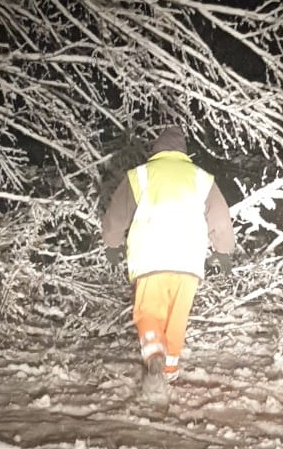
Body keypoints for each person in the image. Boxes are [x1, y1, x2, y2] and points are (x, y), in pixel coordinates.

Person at [101, 126, 235, 393]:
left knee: (149, 312)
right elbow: (220, 218)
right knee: (177, 317)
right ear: (184, 152)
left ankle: (154, 358)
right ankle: (170, 372)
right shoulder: (201, 178)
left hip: (150, 257)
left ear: (156, 149)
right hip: (188, 260)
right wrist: (224, 251)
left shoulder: (140, 175)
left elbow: (116, 214)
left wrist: (112, 245)